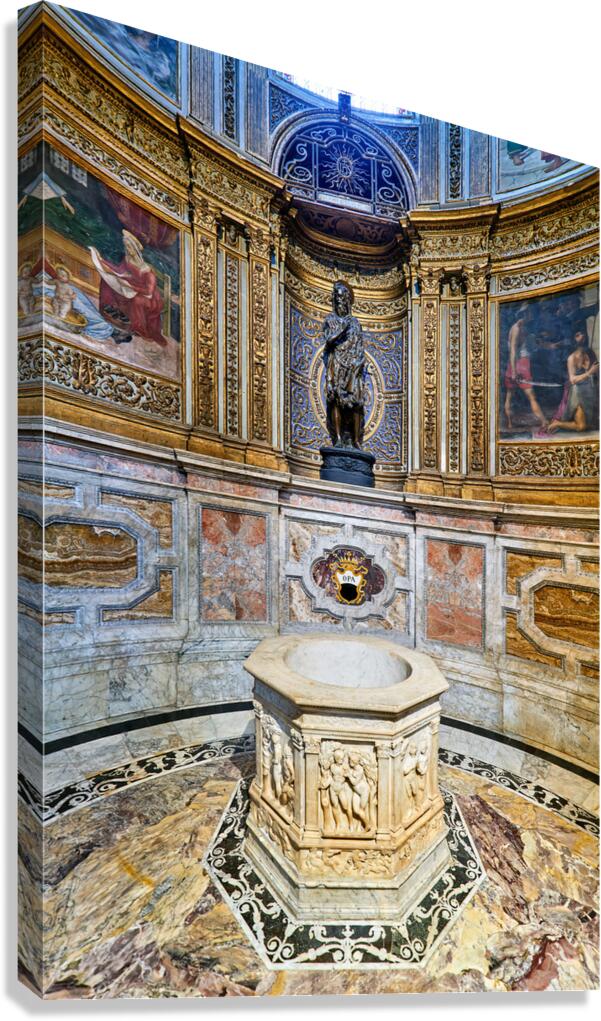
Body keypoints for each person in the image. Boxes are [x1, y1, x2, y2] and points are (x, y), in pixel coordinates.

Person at [89, 229, 168, 347]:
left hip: (149, 298)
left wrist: (131, 286)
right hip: (130, 287)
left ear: (135, 249)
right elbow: (119, 271)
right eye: (126, 247)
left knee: (137, 300)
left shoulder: (146, 270)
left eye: (130, 247)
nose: (128, 250)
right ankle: (113, 310)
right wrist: (101, 261)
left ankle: (138, 328)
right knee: (107, 281)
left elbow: (149, 292)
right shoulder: (127, 260)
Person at [322, 281, 366, 448]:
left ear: (347, 300)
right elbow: (329, 340)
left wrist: (359, 363)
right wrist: (343, 328)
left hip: (353, 364)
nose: (339, 300)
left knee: (356, 401)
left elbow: (360, 346)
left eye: (341, 297)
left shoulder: (355, 322)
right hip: (337, 362)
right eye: (336, 297)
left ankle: (356, 441)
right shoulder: (330, 320)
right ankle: (338, 439)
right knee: (335, 399)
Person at [504, 303, 548, 431]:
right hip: (520, 364)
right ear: (525, 314)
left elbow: (533, 345)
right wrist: (514, 371)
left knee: (509, 395)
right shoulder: (517, 328)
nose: (532, 316)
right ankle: (544, 422)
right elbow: (513, 351)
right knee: (530, 395)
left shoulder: (523, 328)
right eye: (530, 313)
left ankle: (510, 423)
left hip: (516, 364)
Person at [548, 345, 599, 434]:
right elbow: (573, 380)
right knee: (581, 426)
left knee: (593, 425)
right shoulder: (572, 358)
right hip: (578, 395)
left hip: (590, 395)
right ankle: (558, 424)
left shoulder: (591, 355)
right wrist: (589, 372)